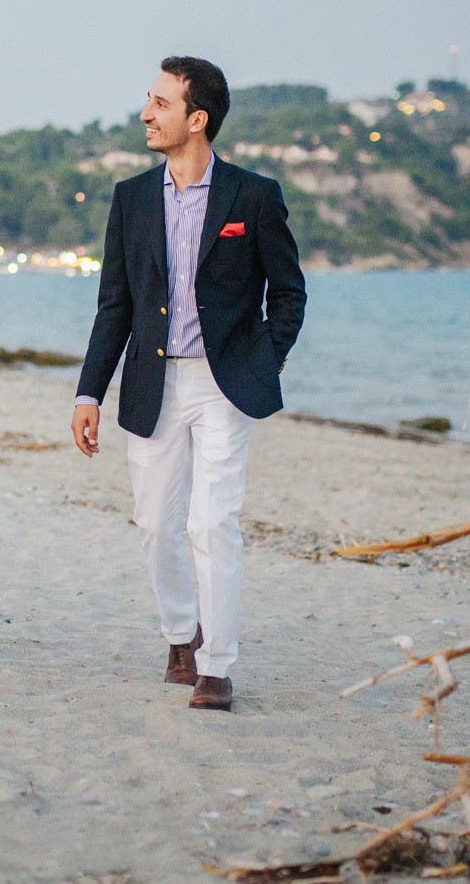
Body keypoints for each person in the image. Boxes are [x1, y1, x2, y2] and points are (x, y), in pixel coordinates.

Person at [71, 56, 305, 710]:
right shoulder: (131, 198)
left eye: (161, 103)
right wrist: (89, 392)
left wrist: (266, 360)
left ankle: (216, 665)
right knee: (154, 523)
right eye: (149, 101)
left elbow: (288, 292)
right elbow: (114, 305)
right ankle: (181, 633)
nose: (146, 114)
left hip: (225, 385)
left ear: (197, 119)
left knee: (213, 521)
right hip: (153, 381)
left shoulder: (253, 196)